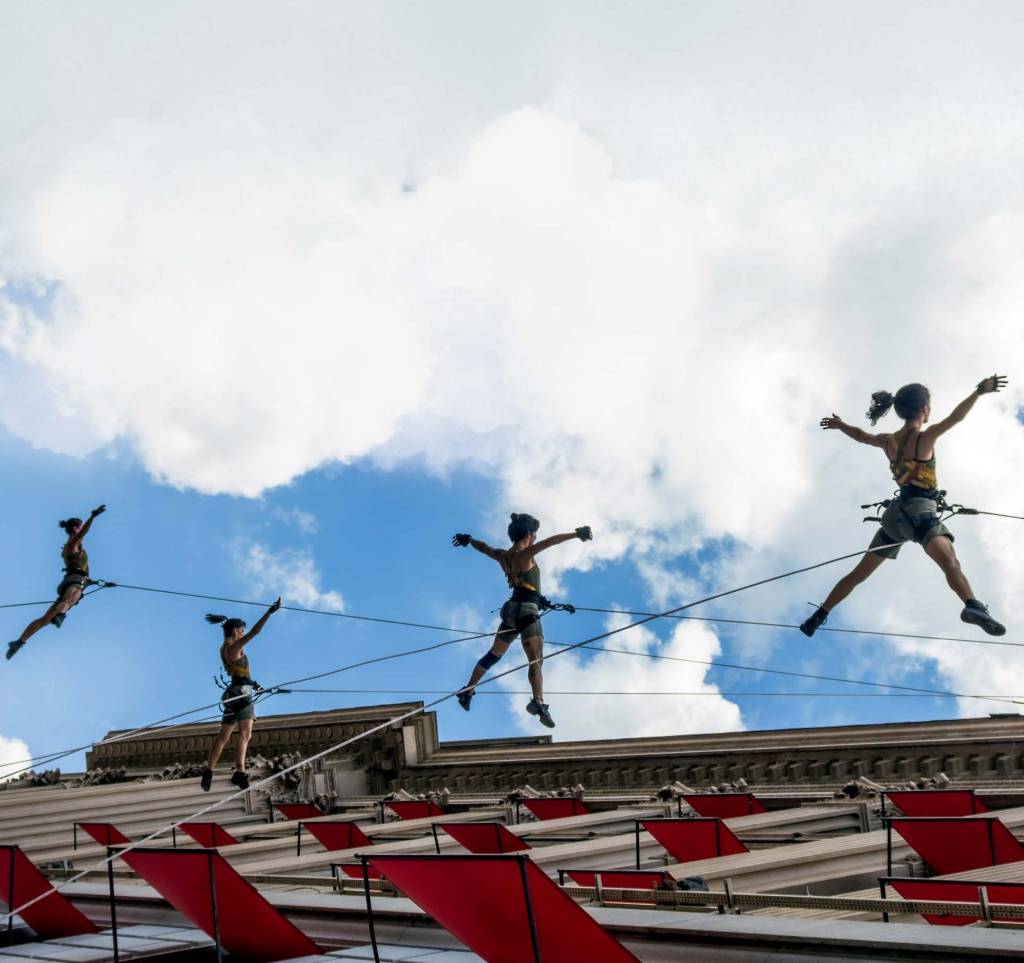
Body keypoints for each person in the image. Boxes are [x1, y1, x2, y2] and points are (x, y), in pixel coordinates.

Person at [800, 376, 1008, 638]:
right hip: (919, 515)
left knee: (858, 574)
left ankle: (819, 616)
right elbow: (956, 418)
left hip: (894, 519)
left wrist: (840, 425)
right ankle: (973, 605)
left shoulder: (888, 441)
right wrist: (978, 392)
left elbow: (862, 436)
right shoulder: (924, 439)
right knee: (950, 562)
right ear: (924, 408)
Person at [451, 513, 593, 729]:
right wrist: (575, 534)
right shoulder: (526, 554)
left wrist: (469, 540)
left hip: (510, 611)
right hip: (526, 611)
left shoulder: (503, 556)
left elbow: (485, 548)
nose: (536, 539)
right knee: (536, 659)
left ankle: (468, 689)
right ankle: (538, 702)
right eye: (535, 535)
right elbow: (551, 542)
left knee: (494, 654)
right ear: (529, 534)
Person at [199, 598, 281, 791]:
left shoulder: (225, 648)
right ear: (235, 631)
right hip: (241, 696)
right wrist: (269, 612)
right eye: (242, 631)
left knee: (224, 736)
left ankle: (210, 772)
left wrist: (252, 684)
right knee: (244, 734)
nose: (243, 634)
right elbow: (255, 632)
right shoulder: (233, 648)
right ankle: (239, 771)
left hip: (234, 694)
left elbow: (240, 675)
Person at [7, 505, 107, 661]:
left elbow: (80, 560)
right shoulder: (72, 544)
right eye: (80, 528)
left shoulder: (75, 546)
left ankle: (19, 642)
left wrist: (91, 581)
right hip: (75, 580)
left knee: (45, 619)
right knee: (72, 598)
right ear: (76, 529)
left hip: (74, 579)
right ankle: (61, 615)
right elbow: (83, 533)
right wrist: (92, 516)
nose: (82, 531)